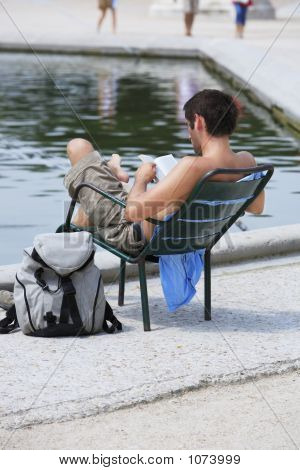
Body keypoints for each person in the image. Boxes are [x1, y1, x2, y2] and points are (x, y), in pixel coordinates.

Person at [64, 89, 265, 257]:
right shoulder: (247, 161)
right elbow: (257, 208)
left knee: (78, 146)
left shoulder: (192, 166)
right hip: (194, 239)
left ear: (199, 121)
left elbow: (133, 212)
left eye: (188, 126)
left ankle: (111, 171)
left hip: (136, 238)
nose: (189, 135)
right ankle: (112, 173)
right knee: (85, 214)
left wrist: (141, 179)